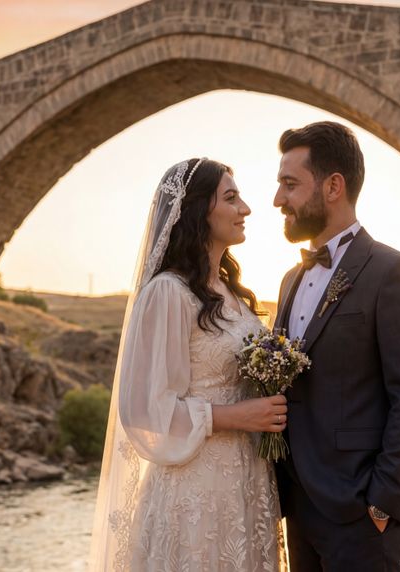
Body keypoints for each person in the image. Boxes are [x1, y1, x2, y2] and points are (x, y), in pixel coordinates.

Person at [88, 158, 288, 572]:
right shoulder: (168, 293)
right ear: (199, 210)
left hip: (247, 480)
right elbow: (144, 409)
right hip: (196, 487)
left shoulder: (230, 295)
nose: (246, 209)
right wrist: (234, 416)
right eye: (231, 198)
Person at [272, 122, 400, 572]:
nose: (278, 200)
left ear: (333, 186)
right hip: (298, 508)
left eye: (290, 184)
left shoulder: (394, 273)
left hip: (362, 517)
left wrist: (382, 504)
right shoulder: (290, 280)